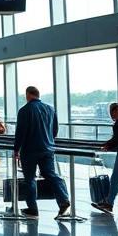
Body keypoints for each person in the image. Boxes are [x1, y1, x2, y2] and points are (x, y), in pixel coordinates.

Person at [14, 86, 71, 220]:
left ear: (28, 95)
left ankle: (33, 209)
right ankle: (63, 199)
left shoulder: (24, 110)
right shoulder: (50, 109)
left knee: (30, 178)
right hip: (48, 148)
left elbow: (20, 132)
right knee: (50, 174)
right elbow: (55, 130)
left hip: (30, 150)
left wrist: (16, 149)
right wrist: (48, 141)